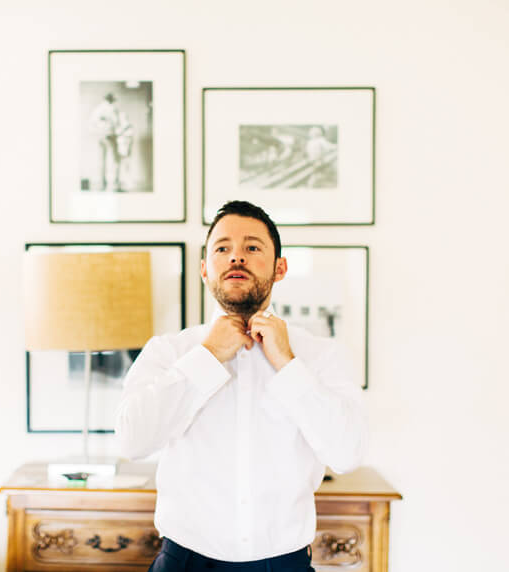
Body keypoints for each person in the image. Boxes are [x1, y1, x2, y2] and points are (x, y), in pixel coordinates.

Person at [114, 200, 367, 572]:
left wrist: (288, 364)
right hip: (184, 562)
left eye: (252, 247)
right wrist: (208, 356)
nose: (236, 257)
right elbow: (131, 441)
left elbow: (347, 454)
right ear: (204, 269)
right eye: (222, 248)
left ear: (280, 268)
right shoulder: (169, 351)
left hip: (285, 564)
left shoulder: (321, 355)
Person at [89, 92, 122, 191]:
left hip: (101, 136)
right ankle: (114, 183)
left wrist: (99, 130)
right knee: (114, 160)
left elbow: (92, 123)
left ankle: (102, 183)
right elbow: (116, 122)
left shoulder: (98, 109)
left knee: (101, 160)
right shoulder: (111, 108)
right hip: (109, 135)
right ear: (111, 99)